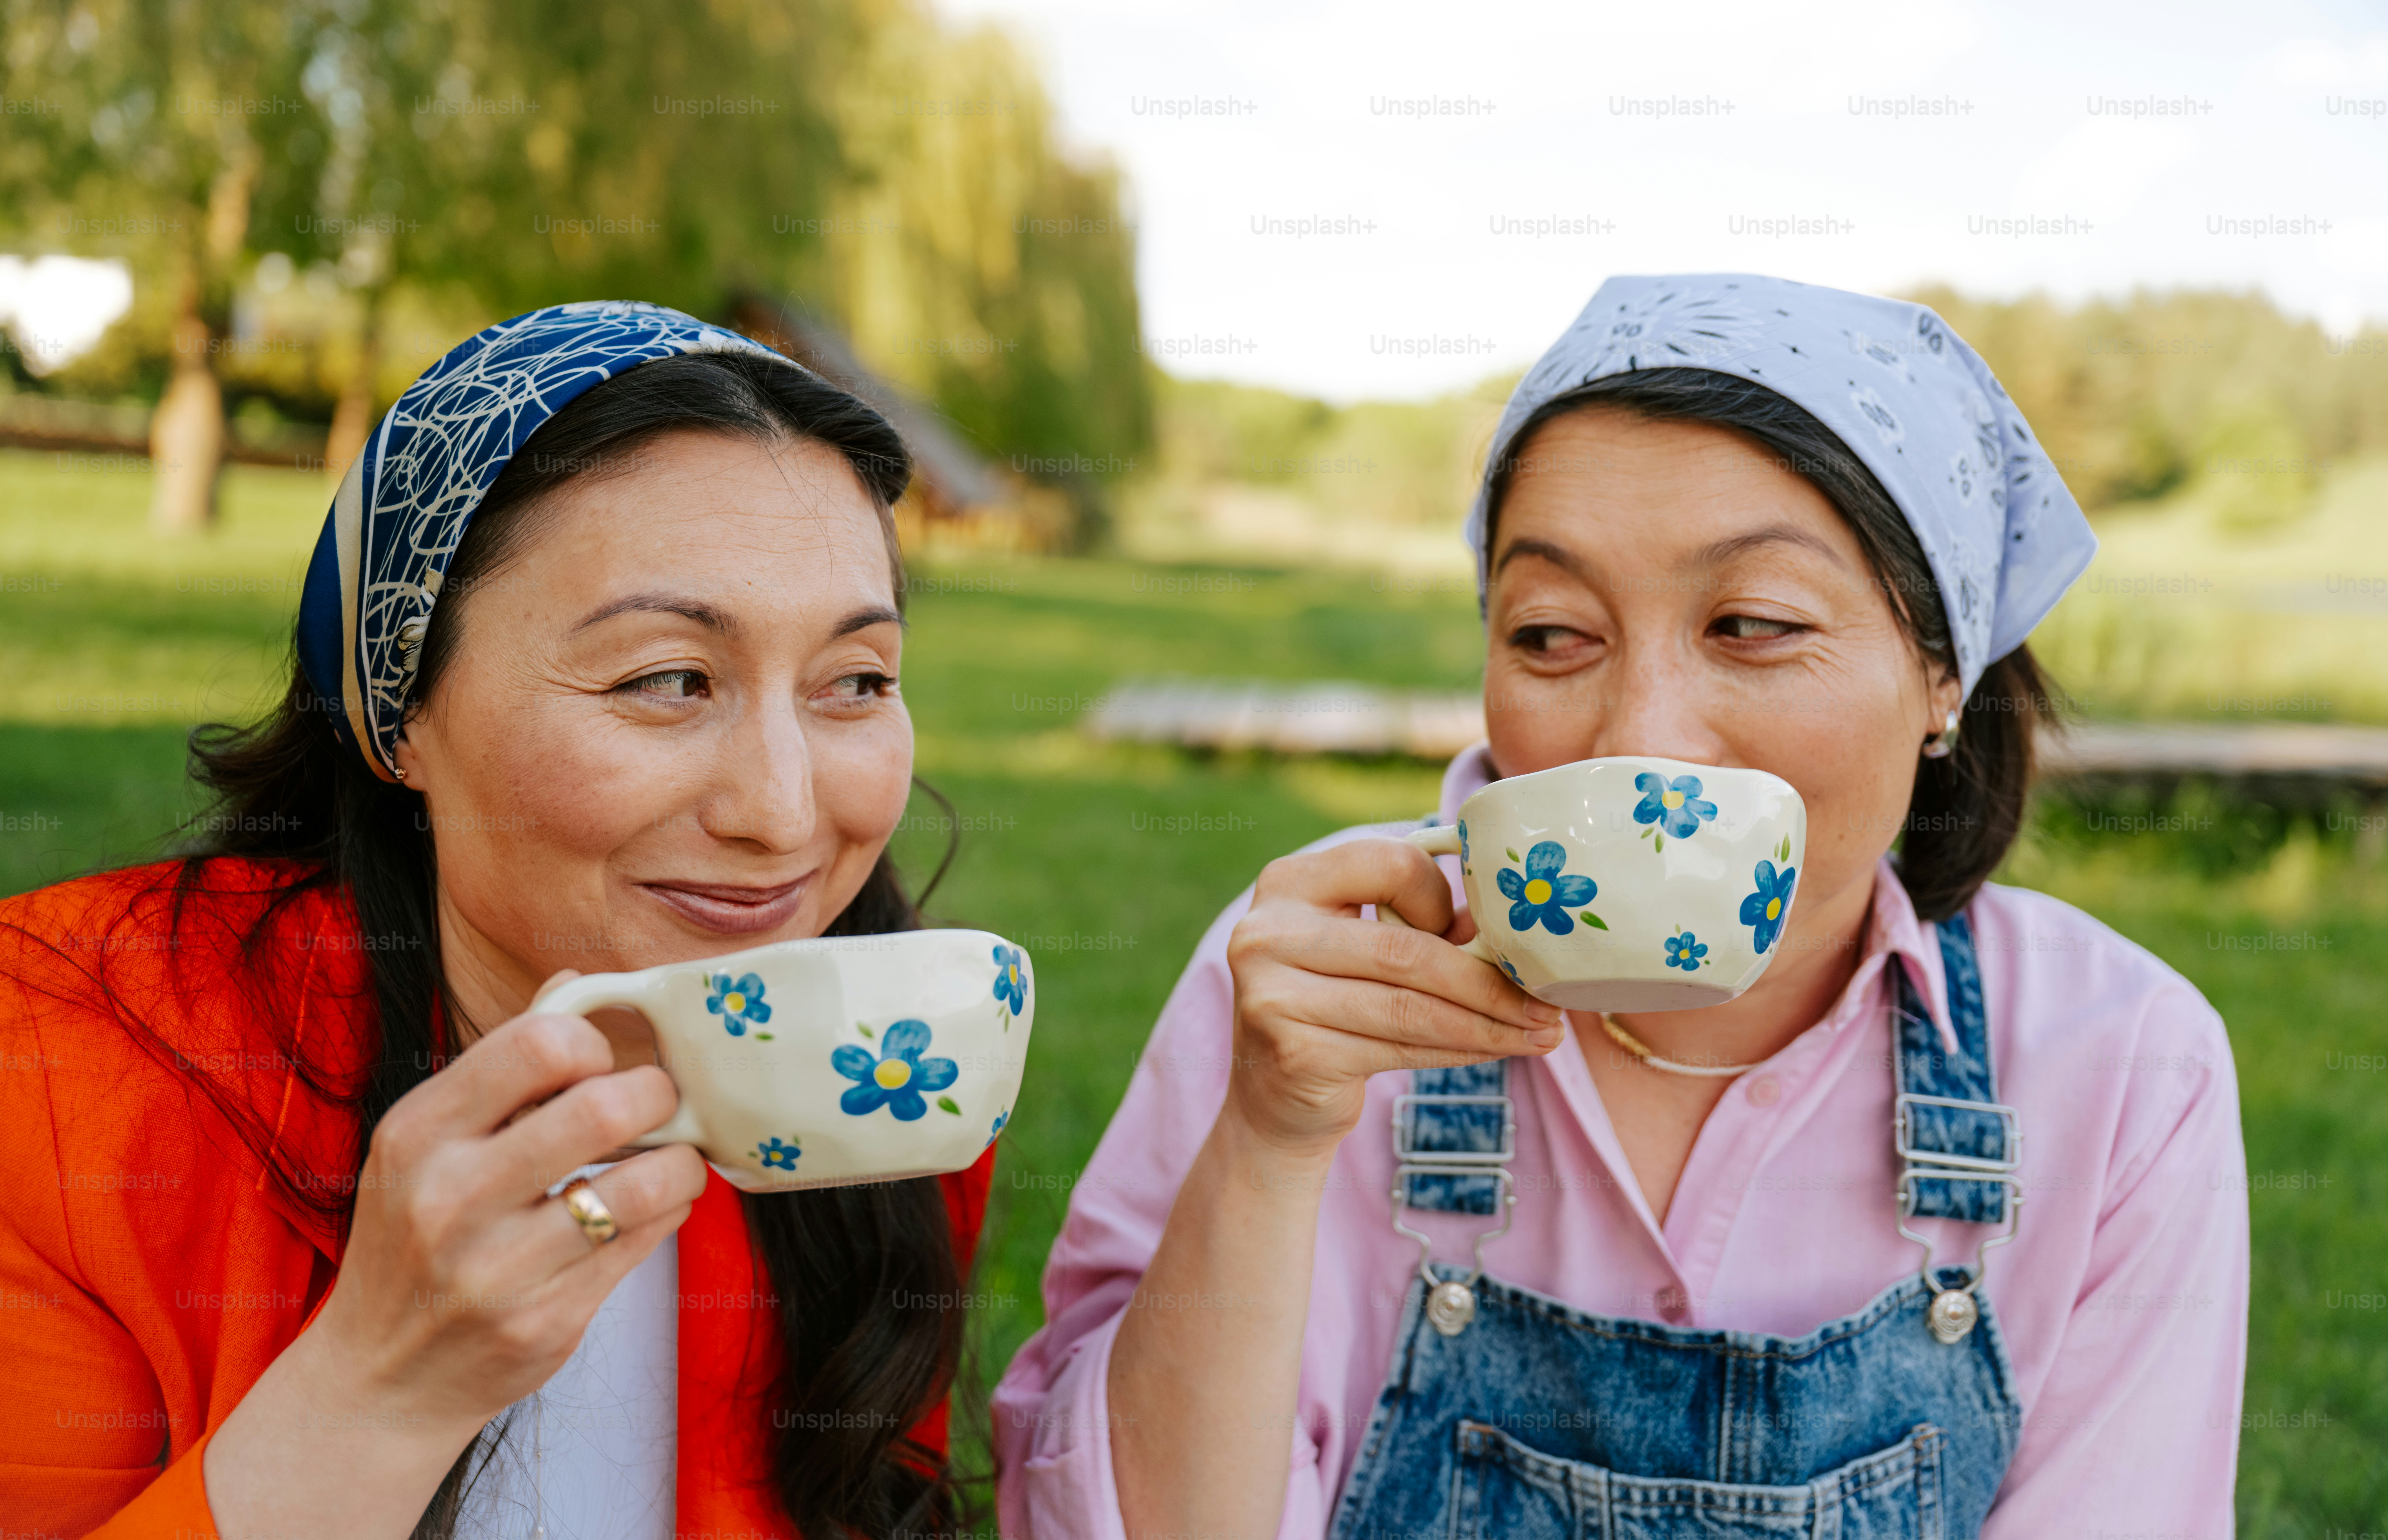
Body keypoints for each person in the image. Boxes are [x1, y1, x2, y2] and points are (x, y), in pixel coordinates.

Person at [994, 275, 2248, 1537]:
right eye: (1551, 633)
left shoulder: (2126, 1063)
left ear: (1942, 672)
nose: (1640, 740)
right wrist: (1267, 1140)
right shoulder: (1310, 978)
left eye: (1751, 624)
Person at [0, 302, 992, 1540]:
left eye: (856, 682)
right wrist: (376, 1395)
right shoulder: (50, 1074)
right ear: (401, 714)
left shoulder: (885, 1071)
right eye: (669, 679)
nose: (784, 814)